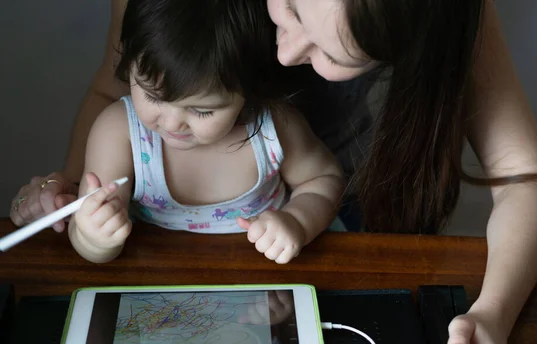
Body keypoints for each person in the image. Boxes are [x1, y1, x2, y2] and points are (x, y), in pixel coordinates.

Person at [9, 0, 537, 344]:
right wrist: (76, 192)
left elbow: (524, 176)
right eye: (289, 10)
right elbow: (113, 89)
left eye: (328, 49)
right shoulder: (134, 119)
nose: (285, 50)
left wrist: (493, 314)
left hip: (326, 222)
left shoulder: (443, 19)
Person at [68, 0, 345, 264]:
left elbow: (325, 179)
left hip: (259, 291)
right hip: (157, 287)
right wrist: (94, 239)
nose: (173, 123)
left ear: (248, 93)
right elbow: (86, 240)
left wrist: (297, 221)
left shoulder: (275, 129)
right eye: (152, 96)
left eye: (202, 111)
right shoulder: (119, 135)